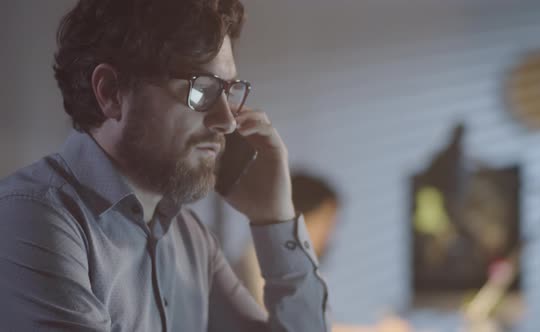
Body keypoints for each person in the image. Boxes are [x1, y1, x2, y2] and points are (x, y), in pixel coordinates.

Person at [0, 1, 329, 331]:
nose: (227, 121)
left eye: (228, 91)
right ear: (111, 92)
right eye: (202, 89)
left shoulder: (190, 237)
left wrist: (275, 219)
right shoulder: (29, 220)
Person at [238, 173, 412, 332]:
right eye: (326, 222)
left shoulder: (297, 268)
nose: (329, 236)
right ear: (300, 215)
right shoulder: (263, 258)